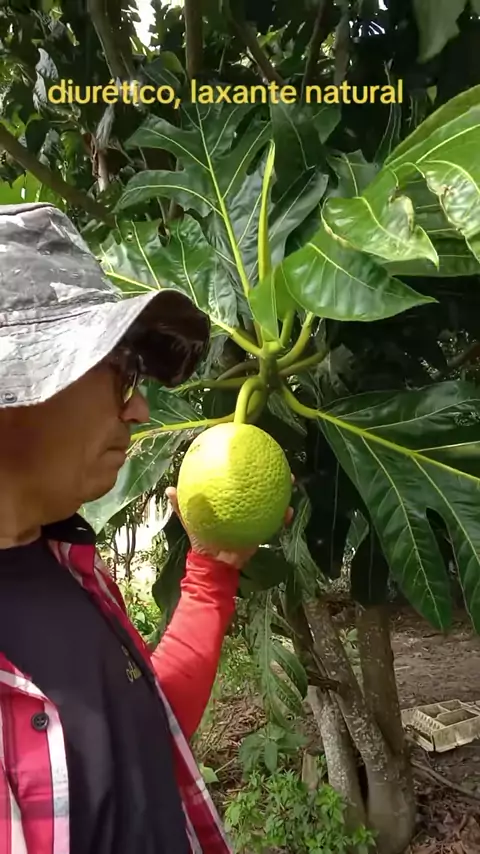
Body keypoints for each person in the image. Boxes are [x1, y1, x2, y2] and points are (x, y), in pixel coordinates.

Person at [0, 202, 292, 854]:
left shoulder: (64, 567)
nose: (138, 409)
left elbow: (143, 740)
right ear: (17, 385)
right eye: (121, 375)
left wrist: (212, 571)